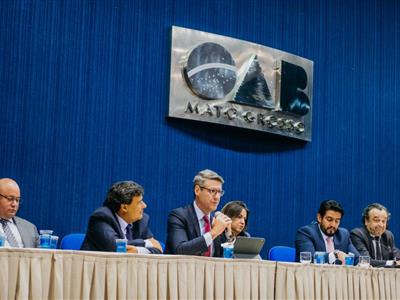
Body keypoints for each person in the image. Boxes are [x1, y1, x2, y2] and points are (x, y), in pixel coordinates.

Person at [81, 181, 162, 254]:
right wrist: (146, 243)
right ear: (124, 208)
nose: (144, 206)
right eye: (139, 202)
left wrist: (137, 251)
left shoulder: (141, 220)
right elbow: (116, 247)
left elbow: (158, 250)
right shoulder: (101, 218)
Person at [165, 169, 232, 256]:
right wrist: (214, 232)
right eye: (212, 191)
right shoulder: (179, 216)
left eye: (219, 192)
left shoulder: (217, 221)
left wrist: (229, 235)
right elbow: (180, 250)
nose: (217, 197)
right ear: (197, 190)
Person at [295, 200, 359, 264]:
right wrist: (335, 255)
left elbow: (357, 259)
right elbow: (310, 259)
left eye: (337, 221)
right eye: (329, 219)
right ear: (319, 218)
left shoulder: (343, 235)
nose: (333, 225)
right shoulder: (306, 233)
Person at [350, 203, 400, 267]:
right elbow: (366, 261)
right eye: (376, 220)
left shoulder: (388, 235)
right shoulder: (357, 234)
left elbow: (396, 255)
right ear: (366, 221)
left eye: (383, 221)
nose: (381, 225)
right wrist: (393, 263)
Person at [0, 178, 39, 248]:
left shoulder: (30, 228)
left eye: (17, 200)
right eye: (10, 199)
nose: (14, 204)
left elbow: (40, 256)